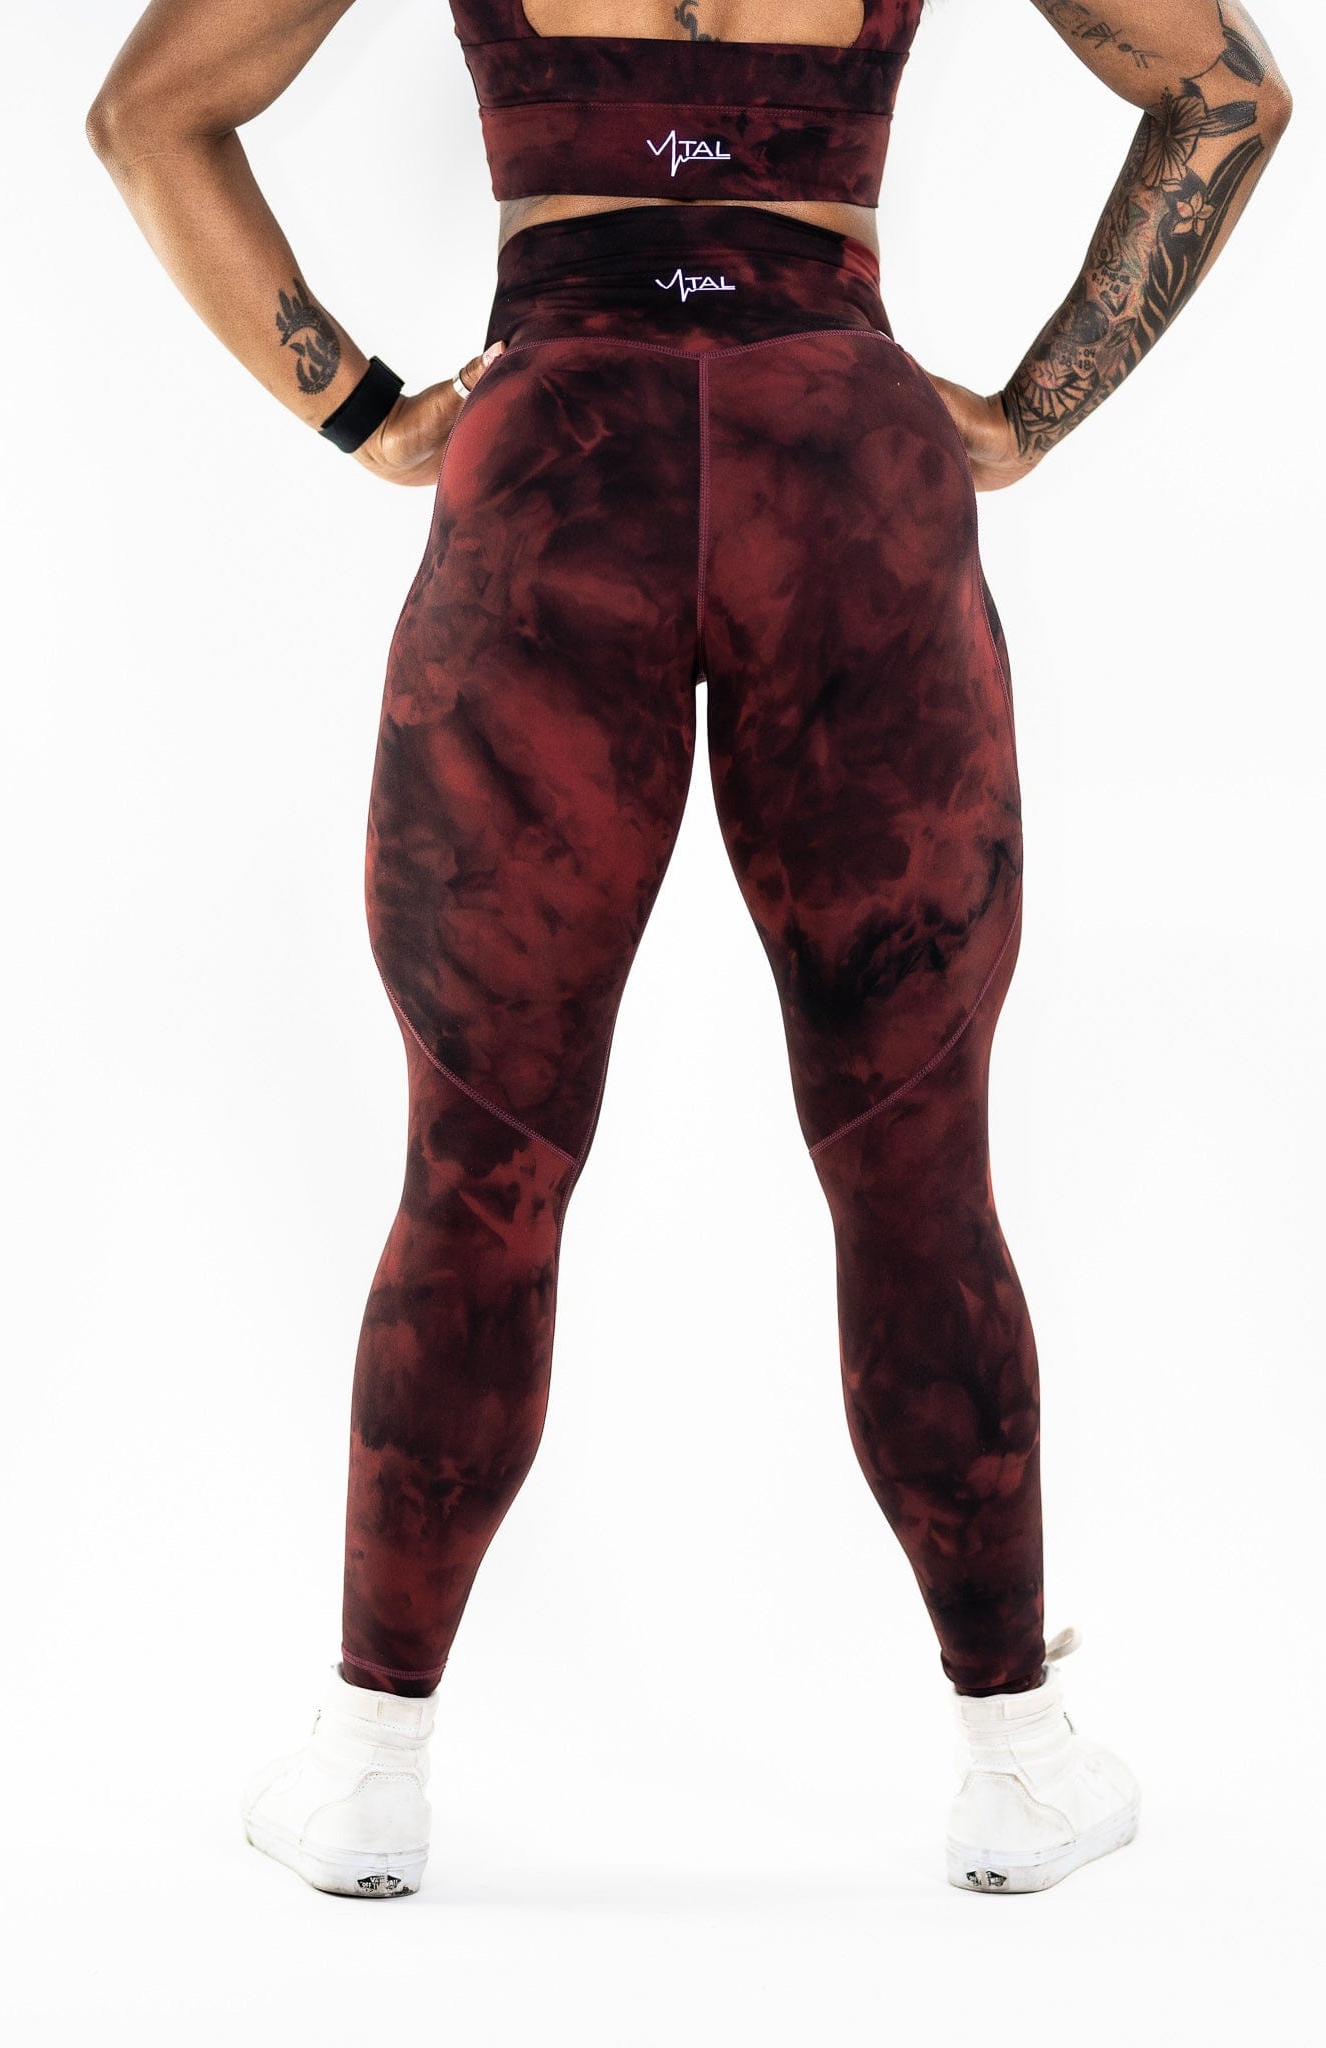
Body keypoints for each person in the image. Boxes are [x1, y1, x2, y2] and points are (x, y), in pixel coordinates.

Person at [86, 0, 1292, 1899]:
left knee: (481, 1153)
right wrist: (1025, 413)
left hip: (556, 473)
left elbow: (150, 116)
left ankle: (367, 1767)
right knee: (915, 1154)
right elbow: (1225, 91)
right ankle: (1018, 1765)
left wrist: (369, 413)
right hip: (847, 480)